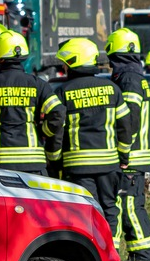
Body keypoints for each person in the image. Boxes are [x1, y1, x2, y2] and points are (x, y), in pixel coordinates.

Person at [51, 38, 129, 233]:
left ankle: (91, 255)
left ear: (73, 62)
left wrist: (54, 159)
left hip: (78, 166)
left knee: (86, 211)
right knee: (110, 208)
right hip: (109, 164)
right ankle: (111, 253)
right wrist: (124, 157)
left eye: (65, 63)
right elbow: (126, 126)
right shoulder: (112, 89)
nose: (63, 67)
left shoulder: (64, 92)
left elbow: (57, 129)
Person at [0, 30, 65, 175]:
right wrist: (44, 131)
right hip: (33, 162)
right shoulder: (37, 84)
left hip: (0, 161)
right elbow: (58, 112)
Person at [106, 28, 150, 261]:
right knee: (126, 204)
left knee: (129, 206)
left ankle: (144, 257)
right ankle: (123, 256)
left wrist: (122, 151)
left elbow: (130, 119)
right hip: (137, 154)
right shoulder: (136, 77)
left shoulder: (128, 80)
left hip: (131, 155)